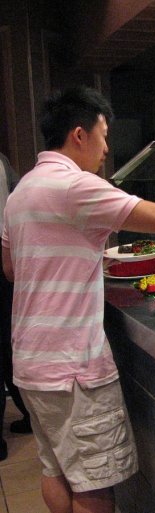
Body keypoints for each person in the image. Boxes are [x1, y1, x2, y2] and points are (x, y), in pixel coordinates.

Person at [1, 86, 155, 513]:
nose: (107, 147)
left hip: (29, 357)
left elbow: (10, 267)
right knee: (93, 488)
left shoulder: (22, 190)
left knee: (56, 470)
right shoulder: (74, 185)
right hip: (72, 367)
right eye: (102, 134)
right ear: (79, 135)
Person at [0, 151, 32, 462]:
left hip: (5, 256)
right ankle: (29, 414)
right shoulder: (2, 163)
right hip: (4, 261)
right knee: (6, 346)